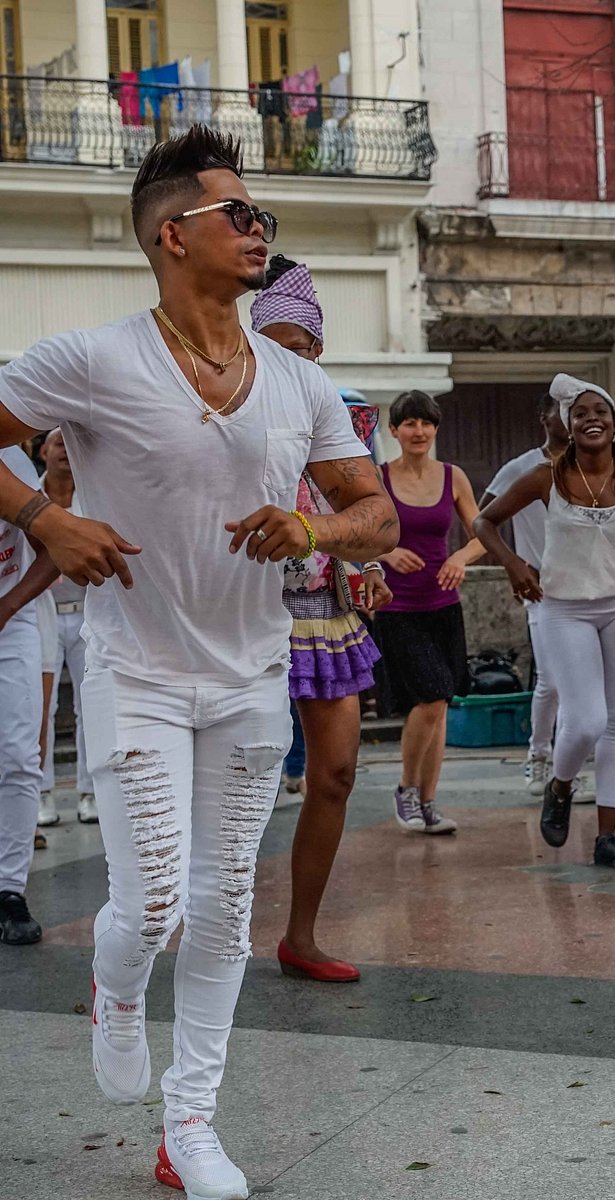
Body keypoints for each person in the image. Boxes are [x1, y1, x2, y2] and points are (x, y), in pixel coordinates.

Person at [0, 127, 398, 1197]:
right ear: (173, 236)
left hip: (249, 676)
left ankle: (190, 1128)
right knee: (156, 902)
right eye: (237, 212)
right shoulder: (91, 358)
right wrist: (44, 517)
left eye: (259, 210)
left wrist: (312, 532)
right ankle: (116, 984)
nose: (257, 224)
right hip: (134, 666)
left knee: (224, 904)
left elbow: (372, 511)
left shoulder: (299, 384)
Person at [250, 257, 392, 983]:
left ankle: (300, 937)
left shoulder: (338, 417)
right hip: (245, 615)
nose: (293, 360)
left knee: (334, 775)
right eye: (277, 346)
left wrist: (365, 569)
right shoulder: (234, 408)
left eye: (303, 348)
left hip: (324, 613)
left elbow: (361, 511)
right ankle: (193, 935)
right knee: (238, 782)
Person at [475, 373, 615, 869]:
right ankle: (560, 784)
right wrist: (515, 564)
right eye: (580, 413)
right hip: (563, 608)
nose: (591, 419)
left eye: (600, 412)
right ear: (567, 424)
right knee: (586, 719)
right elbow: (484, 521)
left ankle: (608, 836)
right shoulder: (546, 478)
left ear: (614, 424)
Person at [375, 390, 485, 835]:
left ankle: (428, 800)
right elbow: (356, 535)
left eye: (426, 423)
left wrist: (460, 558)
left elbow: (484, 534)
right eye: (409, 423)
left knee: (438, 705)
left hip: (444, 606)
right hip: (398, 606)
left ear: (435, 429)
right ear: (394, 430)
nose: (418, 431)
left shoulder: (453, 477)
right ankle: (405, 789)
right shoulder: (378, 478)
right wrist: (389, 553)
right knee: (432, 694)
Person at [478, 395, 582, 795]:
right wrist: (513, 563)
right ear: (545, 418)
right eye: (565, 411)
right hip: (543, 590)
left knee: (584, 686)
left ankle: (569, 766)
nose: (573, 419)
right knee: (554, 681)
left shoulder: (591, 465)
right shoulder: (522, 468)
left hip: (590, 589)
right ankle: (539, 755)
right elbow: (483, 519)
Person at [0, 444, 59, 943]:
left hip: (9, 619)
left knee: (20, 755)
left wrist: (7, 607)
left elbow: (52, 549)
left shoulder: (14, 465)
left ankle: (9, 891)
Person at [34, 429, 95, 827]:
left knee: (91, 706)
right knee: (42, 707)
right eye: (58, 444)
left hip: (89, 613)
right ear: (43, 451)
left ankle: (89, 792)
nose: (64, 454)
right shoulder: (26, 495)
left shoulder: (95, 495)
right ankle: (41, 792)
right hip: (42, 615)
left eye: (70, 447)